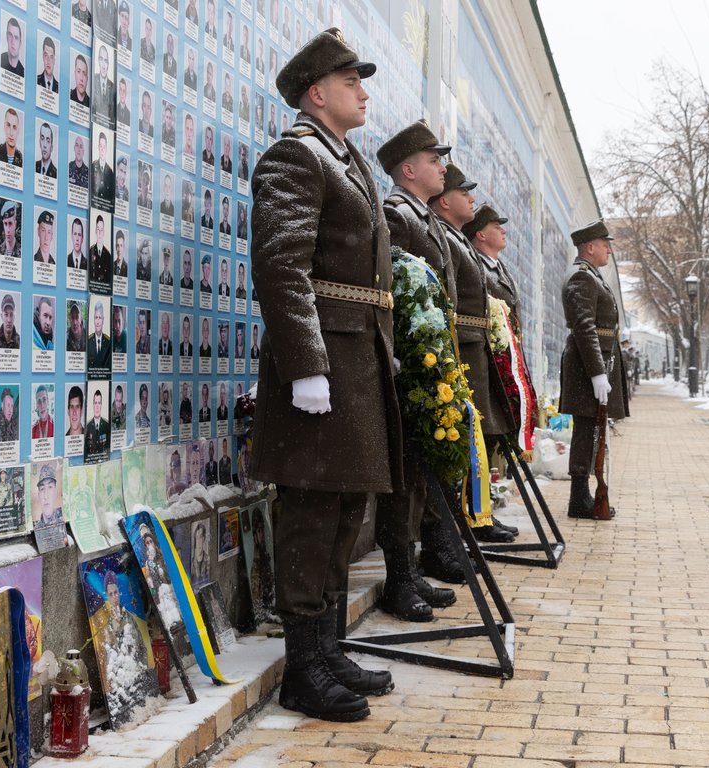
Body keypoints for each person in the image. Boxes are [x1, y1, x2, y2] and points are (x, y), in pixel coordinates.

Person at [249, 27, 395, 721]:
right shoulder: (295, 156)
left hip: (357, 362)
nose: (363, 93)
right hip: (323, 365)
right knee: (310, 510)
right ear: (317, 92)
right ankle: (302, 667)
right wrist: (306, 366)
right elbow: (283, 267)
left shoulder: (347, 161)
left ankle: (326, 646)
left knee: (342, 509)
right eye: (351, 82)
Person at [374, 121, 466, 615]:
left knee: (414, 474)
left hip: (429, 363)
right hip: (409, 365)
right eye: (435, 161)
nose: (443, 167)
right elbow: (393, 286)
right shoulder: (396, 213)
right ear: (409, 169)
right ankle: (398, 577)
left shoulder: (423, 217)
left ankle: (409, 570)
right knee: (402, 474)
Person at [432, 164, 519, 545]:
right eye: (463, 192)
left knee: (480, 439)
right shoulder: (446, 237)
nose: (471, 198)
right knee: (470, 438)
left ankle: (475, 515)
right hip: (465, 350)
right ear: (445, 199)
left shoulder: (457, 239)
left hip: (479, 350)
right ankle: (466, 521)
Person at [561, 220, 628, 519]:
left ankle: (584, 495)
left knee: (592, 432)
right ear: (590, 247)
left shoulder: (592, 276)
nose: (609, 250)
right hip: (586, 367)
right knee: (586, 431)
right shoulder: (581, 277)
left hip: (595, 364)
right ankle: (579, 498)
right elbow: (585, 328)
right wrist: (597, 373)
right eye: (605, 244)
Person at [87, 302, 111, 370]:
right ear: (93, 320)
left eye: (100, 318)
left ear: (103, 320)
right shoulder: (88, 341)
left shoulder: (108, 342)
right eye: (96, 317)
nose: (97, 322)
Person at [84, 388, 108, 454]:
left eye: (99, 403)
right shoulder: (87, 427)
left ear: (101, 405)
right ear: (93, 405)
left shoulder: (106, 426)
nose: (97, 406)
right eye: (95, 403)